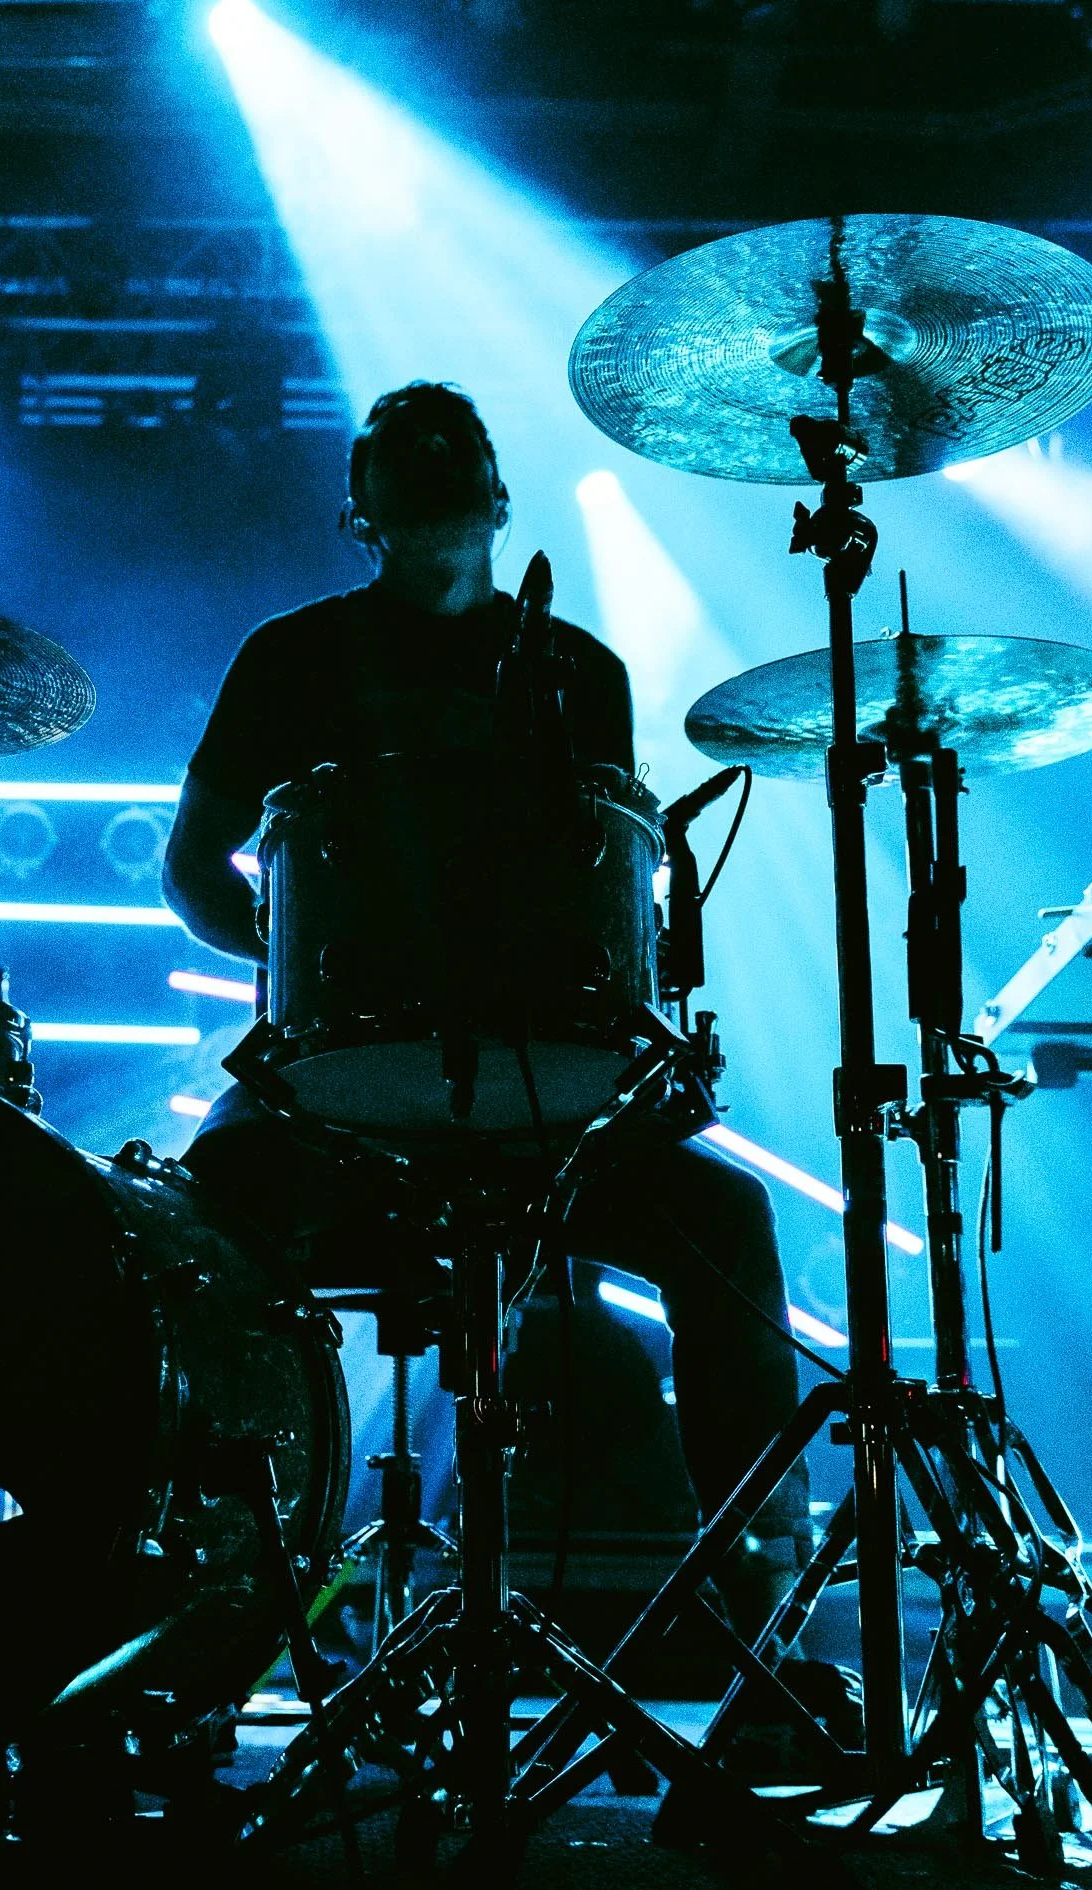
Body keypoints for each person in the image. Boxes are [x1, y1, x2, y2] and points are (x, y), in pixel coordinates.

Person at [163, 379, 812, 1646]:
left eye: (453, 461)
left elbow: (605, 888)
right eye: (406, 467)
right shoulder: (290, 657)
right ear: (362, 512)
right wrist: (293, 969)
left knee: (727, 1220)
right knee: (208, 1224)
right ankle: (208, 1605)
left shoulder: (580, 672)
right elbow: (193, 867)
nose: (433, 475)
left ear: (500, 499)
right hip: (340, 1087)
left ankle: (763, 1624)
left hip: (540, 1090)